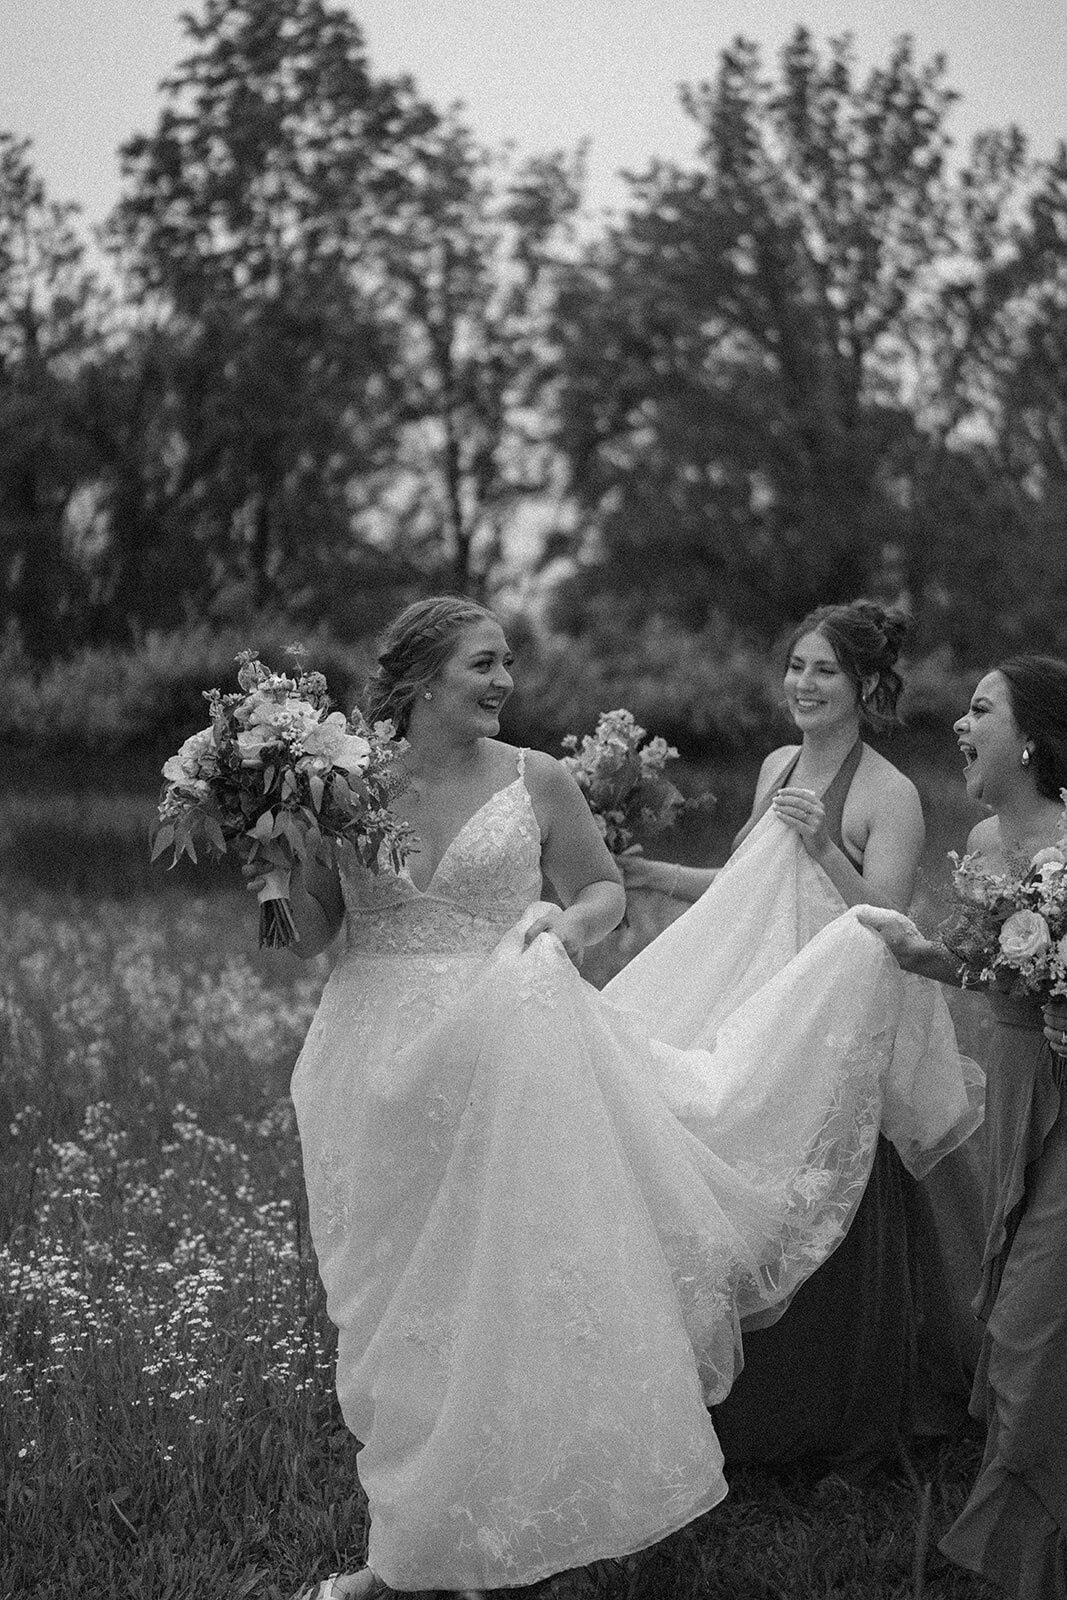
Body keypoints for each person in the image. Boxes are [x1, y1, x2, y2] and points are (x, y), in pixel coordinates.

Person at [284, 596, 979, 1600]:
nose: (503, 682)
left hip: (502, 1050)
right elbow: (307, 935)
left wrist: (565, 932)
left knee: (497, 1288)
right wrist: (274, 864)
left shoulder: (538, 778)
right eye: (483, 664)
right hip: (371, 1066)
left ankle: (451, 1545)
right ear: (422, 675)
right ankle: (439, 1519)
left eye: (506, 664)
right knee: (394, 1310)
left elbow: (598, 889)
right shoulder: (342, 788)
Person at [618, 600, 976, 1477]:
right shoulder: (778, 762)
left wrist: (824, 844)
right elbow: (747, 883)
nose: (803, 685)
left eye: (823, 671)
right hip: (755, 996)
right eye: (795, 668)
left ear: (863, 686)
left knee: (813, 1184)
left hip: (830, 1025)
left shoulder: (891, 795)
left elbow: (881, 925)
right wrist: (648, 872)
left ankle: (832, 1413)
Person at [859, 654, 1067, 1599]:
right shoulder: (983, 839)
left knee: (1027, 1325)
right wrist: (917, 953)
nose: (959, 723)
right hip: (1017, 1092)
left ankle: (1022, 1559)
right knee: (1017, 1306)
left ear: (1030, 738)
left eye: (979, 709)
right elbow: (994, 972)